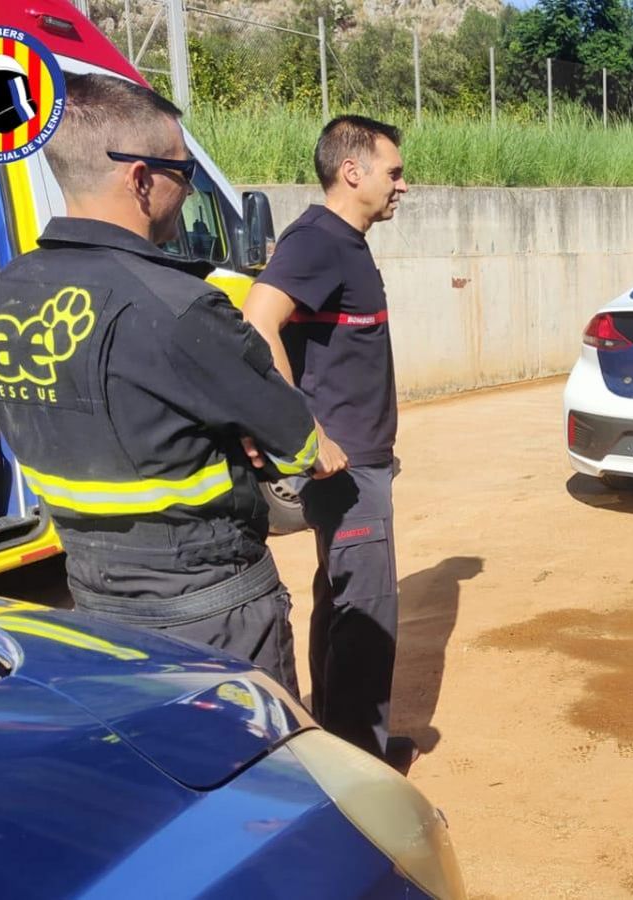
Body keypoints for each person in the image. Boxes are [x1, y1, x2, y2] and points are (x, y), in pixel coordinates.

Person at [0, 74, 323, 692]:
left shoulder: (2, 294)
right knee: (249, 750)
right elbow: (300, 444)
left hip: (94, 607)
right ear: (140, 179)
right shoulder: (181, 307)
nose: (185, 192)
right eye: (184, 174)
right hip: (213, 616)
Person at [242, 116, 411, 770]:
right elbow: (259, 321)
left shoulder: (346, 242)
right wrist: (305, 432)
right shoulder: (318, 240)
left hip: (361, 461)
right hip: (344, 470)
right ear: (352, 171)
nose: (402, 185)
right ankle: (360, 769)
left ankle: (338, 743)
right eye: (393, 172)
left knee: (341, 605)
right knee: (366, 618)